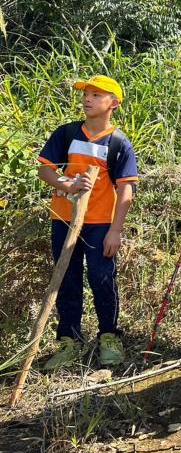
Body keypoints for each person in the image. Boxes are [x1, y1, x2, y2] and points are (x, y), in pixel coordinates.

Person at [37, 75, 139, 369]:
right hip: (64, 220)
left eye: (96, 94)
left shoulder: (118, 143)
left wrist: (115, 231)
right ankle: (70, 341)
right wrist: (68, 185)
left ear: (114, 103)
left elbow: (125, 190)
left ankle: (109, 336)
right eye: (86, 94)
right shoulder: (67, 134)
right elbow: (45, 171)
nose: (88, 99)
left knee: (101, 277)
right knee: (66, 279)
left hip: (100, 224)